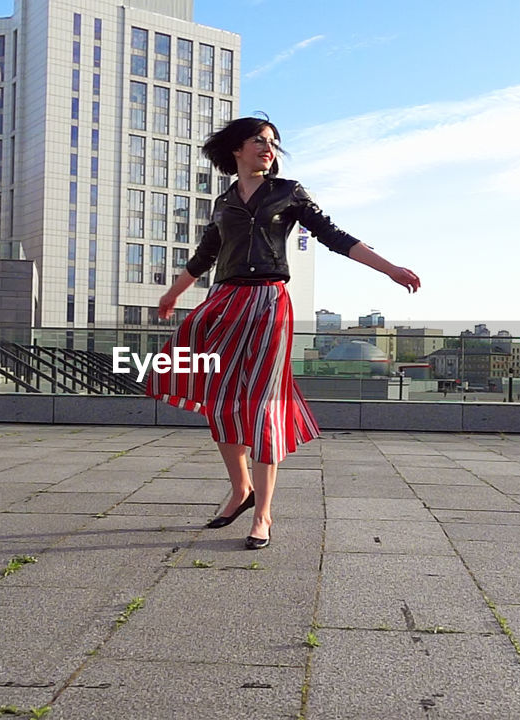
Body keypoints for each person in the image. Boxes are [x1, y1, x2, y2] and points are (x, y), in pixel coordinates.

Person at [146, 116, 420, 550]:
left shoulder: (287, 192)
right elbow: (204, 255)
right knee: (220, 399)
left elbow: (333, 235)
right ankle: (240, 489)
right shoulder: (222, 202)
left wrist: (389, 269)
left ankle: (263, 514)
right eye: (259, 140)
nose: (268, 147)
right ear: (237, 149)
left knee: (261, 405)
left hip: (269, 303)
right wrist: (172, 294)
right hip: (223, 302)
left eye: (272, 142)